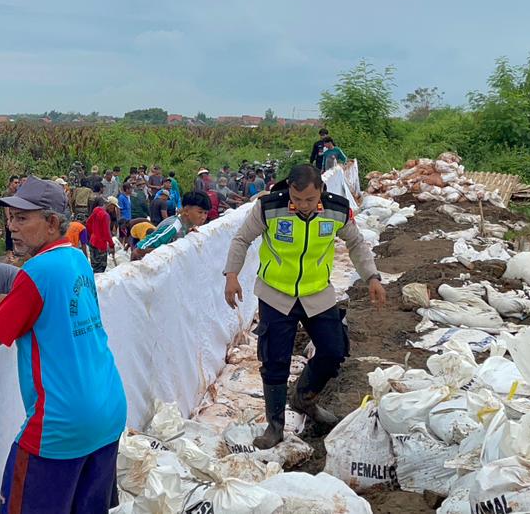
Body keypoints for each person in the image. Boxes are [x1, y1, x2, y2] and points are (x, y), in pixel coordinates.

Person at [0, 177, 125, 514]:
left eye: (23, 218)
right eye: (10, 218)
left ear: (52, 222)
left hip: (60, 424)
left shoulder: (36, 271)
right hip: (108, 409)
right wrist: (11, 302)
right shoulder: (76, 258)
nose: (12, 228)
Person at [222, 164, 387, 449]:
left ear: (321, 191)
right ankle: (275, 426)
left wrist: (372, 276)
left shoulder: (337, 210)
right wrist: (232, 275)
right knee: (275, 361)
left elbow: (356, 243)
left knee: (334, 350)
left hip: (316, 293)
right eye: (296, 200)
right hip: (276, 294)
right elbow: (241, 239)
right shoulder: (269, 207)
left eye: (309, 200)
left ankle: (305, 397)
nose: (302, 206)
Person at [132, 191, 211, 260]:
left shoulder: (186, 225)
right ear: (186, 211)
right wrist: (168, 251)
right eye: (200, 212)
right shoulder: (173, 227)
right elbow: (139, 250)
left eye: (206, 213)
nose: (203, 217)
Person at [85, 198, 115, 273]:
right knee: (101, 268)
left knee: (94, 266)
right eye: (113, 207)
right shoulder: (105, 215)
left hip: (92, 241)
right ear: (110, 205)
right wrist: (111, 245)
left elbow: (88, 223)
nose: (113, 210)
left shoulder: (96, 210)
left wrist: (92, 234)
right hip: (100, 245)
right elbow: (107, 232)